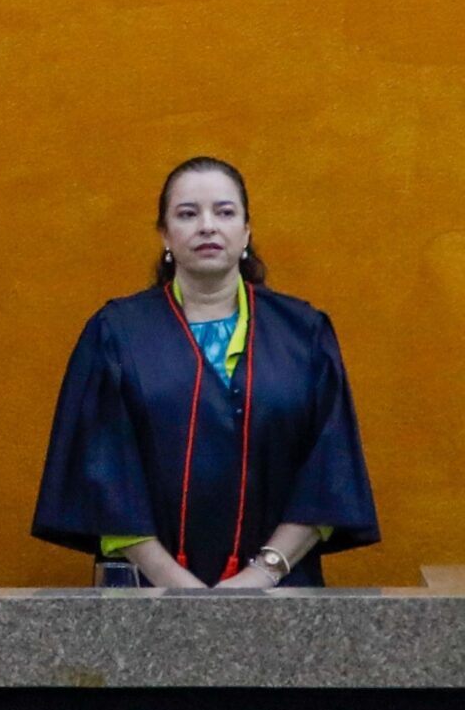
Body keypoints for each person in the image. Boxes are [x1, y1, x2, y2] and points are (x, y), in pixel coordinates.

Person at [32, 156, 376, 587]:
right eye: (187, 214)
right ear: (165, 235)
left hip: (279, 591)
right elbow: (103, 471)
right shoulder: (117, 333)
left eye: (225, 212)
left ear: (247, 231)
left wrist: (261, 575)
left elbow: (330, 466)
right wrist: (176, 585)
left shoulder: (303, 334)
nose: (207, 226)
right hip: (147, 592)